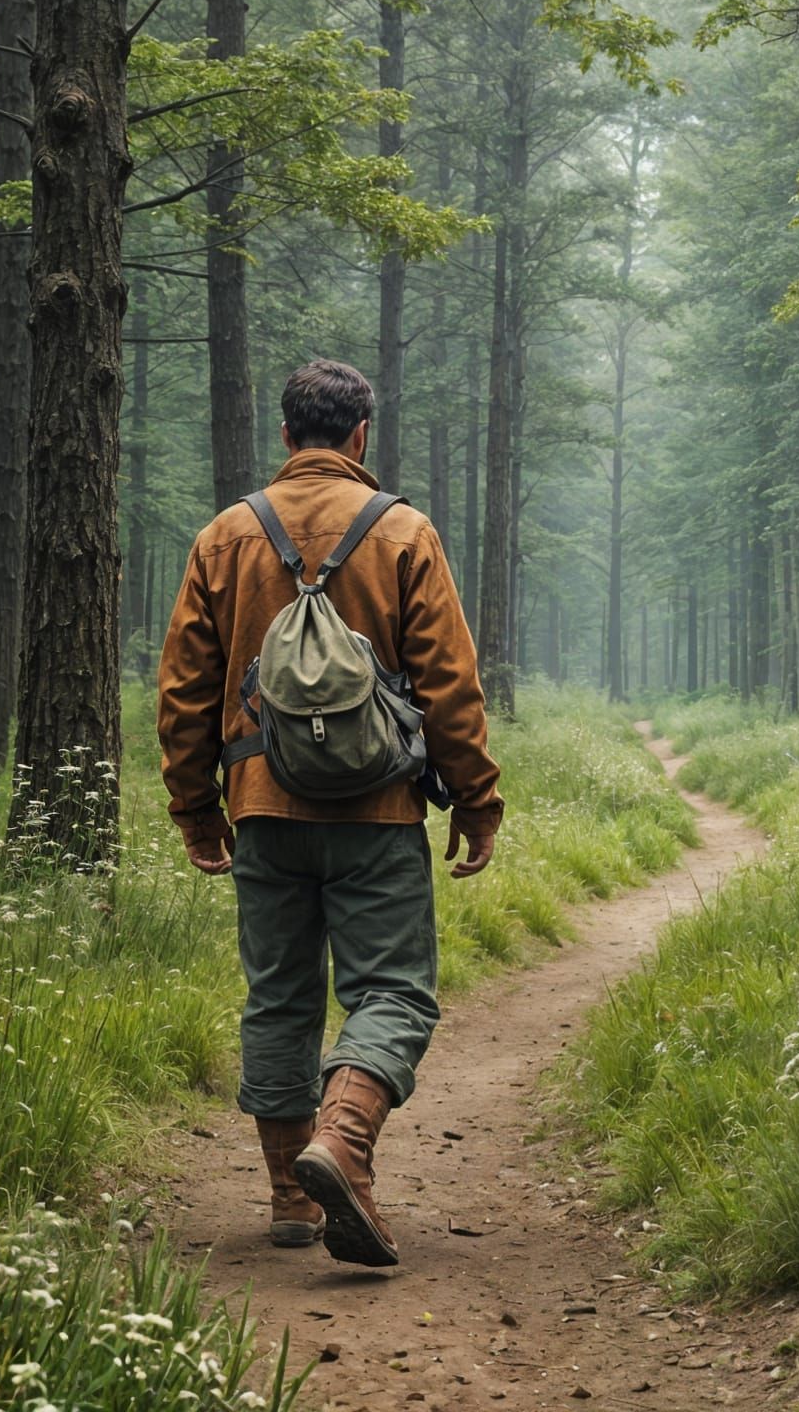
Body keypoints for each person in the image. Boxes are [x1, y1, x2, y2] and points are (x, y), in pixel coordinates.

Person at [157, 358, 502, 1268]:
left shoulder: (226, 536)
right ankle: (344, 1143)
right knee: (391, 991)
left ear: (285, 437)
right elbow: (450, 687)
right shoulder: (404, 533)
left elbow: (185, 690)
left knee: (279, 997)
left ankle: (289, 1198)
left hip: (263, 807)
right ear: (361, 438)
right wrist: (477, 800)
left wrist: (197, 809)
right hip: (379, 812)